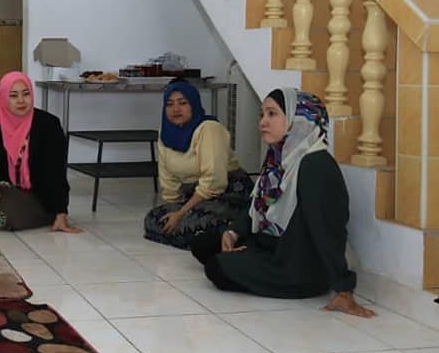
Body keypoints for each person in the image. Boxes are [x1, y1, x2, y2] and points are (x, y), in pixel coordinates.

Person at [190, 88, 376, 318]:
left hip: (296, 266)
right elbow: (257, 204)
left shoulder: (315, 165)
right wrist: (233, 232)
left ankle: (252, 261)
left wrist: (343, 288)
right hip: (272, 241)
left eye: (272, 114)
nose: (263, 122)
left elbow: (327, 229)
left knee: (217, 268)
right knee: (203, 243)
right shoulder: (280, 157)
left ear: (298, 119)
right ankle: (246, 253)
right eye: (262, 114)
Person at [0, 71, 82, 233]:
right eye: (13, 96)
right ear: (3, 97)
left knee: (11, 214)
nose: (21, 100)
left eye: (26, 94)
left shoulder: (48, 125)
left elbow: (57, 172)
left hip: (38, 196)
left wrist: (61, 212)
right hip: (7, 187)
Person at [143, 80, 252, 248]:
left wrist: (182, 212)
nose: (176, 109)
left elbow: (214, 181)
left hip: (227, 193)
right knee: (153, 219)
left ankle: (231, 231)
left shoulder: (209, 129)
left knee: (194, 224)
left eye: (183, 103)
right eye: (170, 104)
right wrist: (173, 208)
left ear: (194, 104)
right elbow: (168, 178)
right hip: (194, 197)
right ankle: (203, 235)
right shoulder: (165, 132)